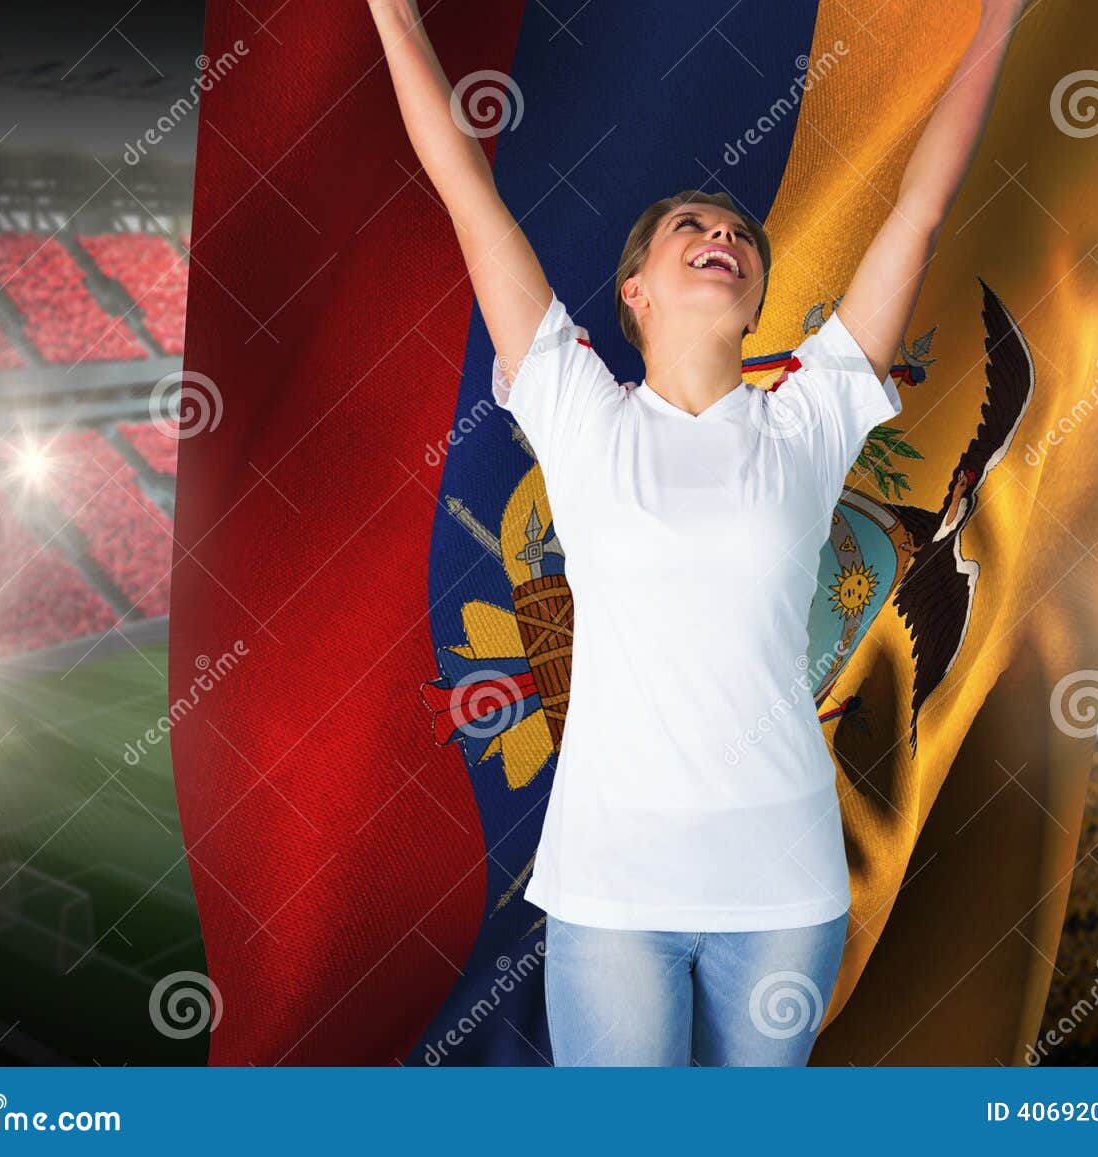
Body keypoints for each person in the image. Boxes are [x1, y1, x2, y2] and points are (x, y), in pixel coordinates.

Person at [368, 0, 1023, 1066]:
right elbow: (464, 188)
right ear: (632, 291)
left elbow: (921, 207)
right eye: (692, 230)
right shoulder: (578, 408)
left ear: (758, 292)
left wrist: (1001, 17)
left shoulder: (812, 416)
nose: (723, 237)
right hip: (612, 889)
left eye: (737, 238)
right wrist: (391, 13)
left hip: (782, 890)